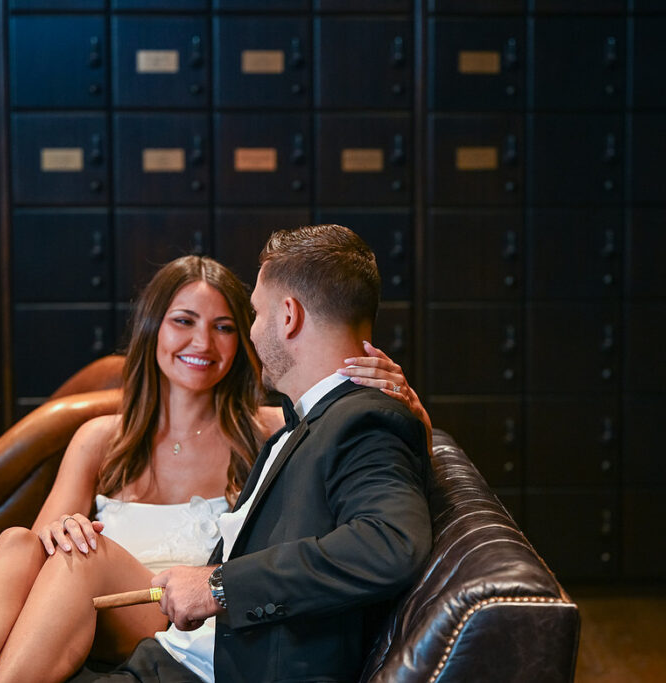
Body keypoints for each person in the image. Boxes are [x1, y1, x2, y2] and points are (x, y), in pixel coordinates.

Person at [0, 253, 427, 683]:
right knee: (18, 543)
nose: (205, 341)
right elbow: (46, 539)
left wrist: (410, 413)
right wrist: (64, 529)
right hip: (81, 610)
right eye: (184, 321)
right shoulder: (102, 437)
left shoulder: (273, 431)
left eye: (229, 324)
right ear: (154, 328)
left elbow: (358, 441)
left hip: (178, 614)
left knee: (79, 561)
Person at [67, 224, 433, 683]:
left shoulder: (363, 421)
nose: (251, 336)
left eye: (253, 315)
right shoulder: (308, 420)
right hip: (176, 653)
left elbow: (389, 545)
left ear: (288, 317)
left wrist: (218, 586)